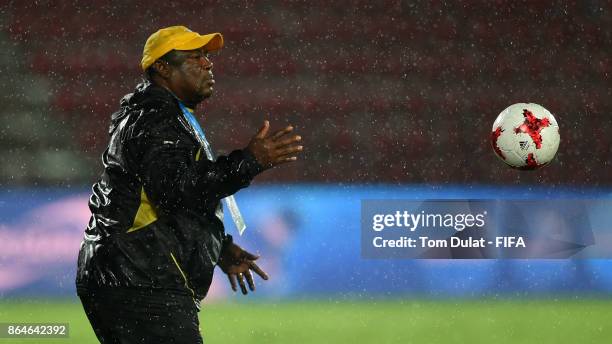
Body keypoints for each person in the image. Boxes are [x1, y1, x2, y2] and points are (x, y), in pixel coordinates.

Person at [75, 26, 304, 343]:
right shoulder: (156, 118)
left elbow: (162, 195)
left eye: (207, 57)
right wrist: (249, 161)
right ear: (163, 68)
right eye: (195, 58)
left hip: (132, 273)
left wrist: (217, 248)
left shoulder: (161, 114)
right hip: (139, 279)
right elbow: (178, 191)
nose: (208, 64)